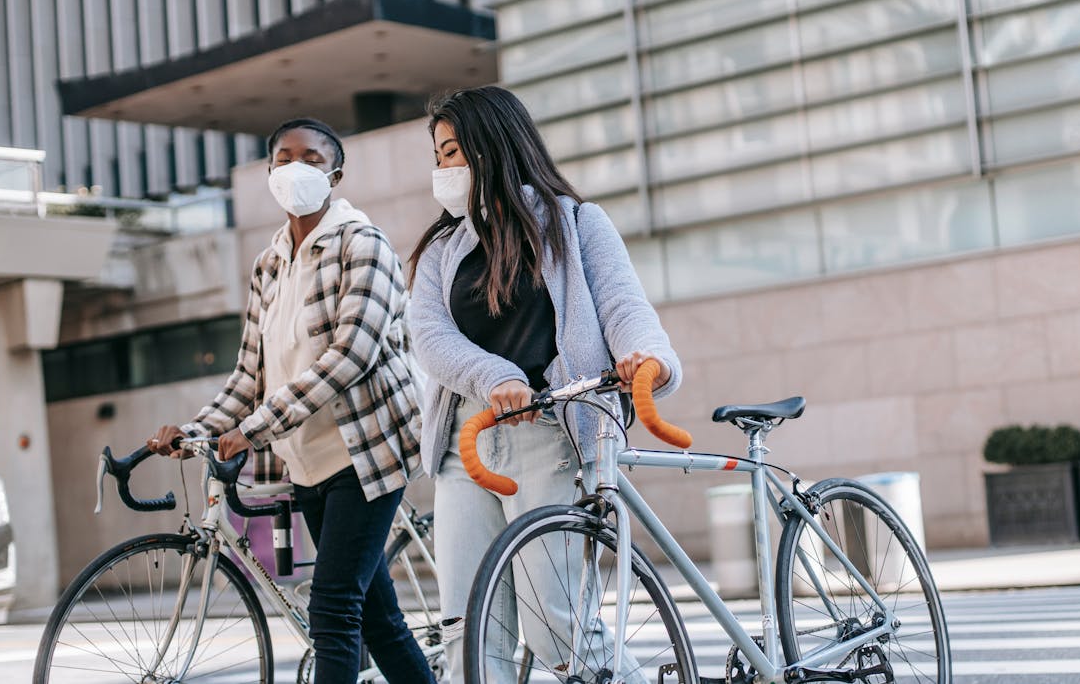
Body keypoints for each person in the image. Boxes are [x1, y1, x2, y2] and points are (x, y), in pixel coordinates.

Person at [407, 86, 682, 683]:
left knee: (556, 626)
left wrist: (648, 359)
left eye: (452, 152)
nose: (442, 168)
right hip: (467, 443)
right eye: (438, 154)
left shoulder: (575, 222)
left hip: (549, 436)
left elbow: (624, 307)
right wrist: (494, 375)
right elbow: (429, 335)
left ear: (491, 148)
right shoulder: (441, 249)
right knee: (468, 635)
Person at [147, 118, 435, 684]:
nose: (296, 168)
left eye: (310, 158)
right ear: (270, 172)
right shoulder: (269, 264)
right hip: (306, 464)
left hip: (368, 454)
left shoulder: (363, 244)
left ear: (336, 174)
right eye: (284, 158)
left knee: (331, 610)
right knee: (379, 621)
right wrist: (194, 430)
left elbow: (351, 355)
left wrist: (255, 428)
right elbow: (248, 375)